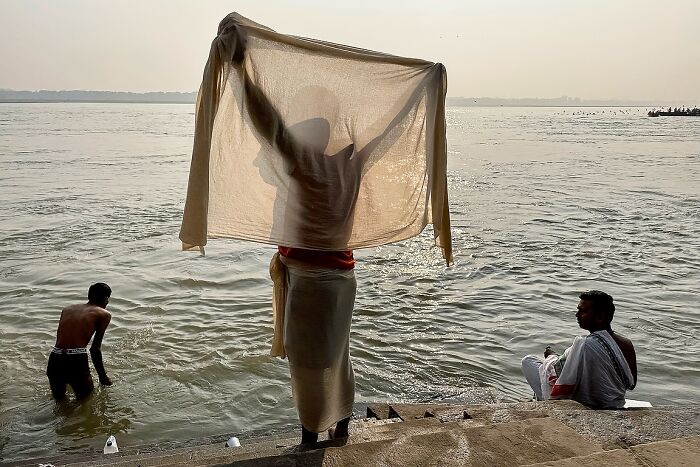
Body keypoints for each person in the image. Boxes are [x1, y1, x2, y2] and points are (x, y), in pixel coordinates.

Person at [521, 290, 637, 409]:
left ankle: (542, 403)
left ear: (600, 317)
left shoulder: (586, 345)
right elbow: (632, 385)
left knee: (529, 361)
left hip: (586, 405)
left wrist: (551, 356)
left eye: (583, 311)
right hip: (616, 403)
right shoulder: (627, 343)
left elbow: (559, 373)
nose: (577, 315)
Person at [46, 283, 113, 400]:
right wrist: (103, 378)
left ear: (89, 295)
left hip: (55, 358)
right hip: (76, 359)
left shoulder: (67, 309)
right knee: (86, 402)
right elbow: (95, 349)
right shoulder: (103, 314)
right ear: (106, 298)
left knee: (60, 403)